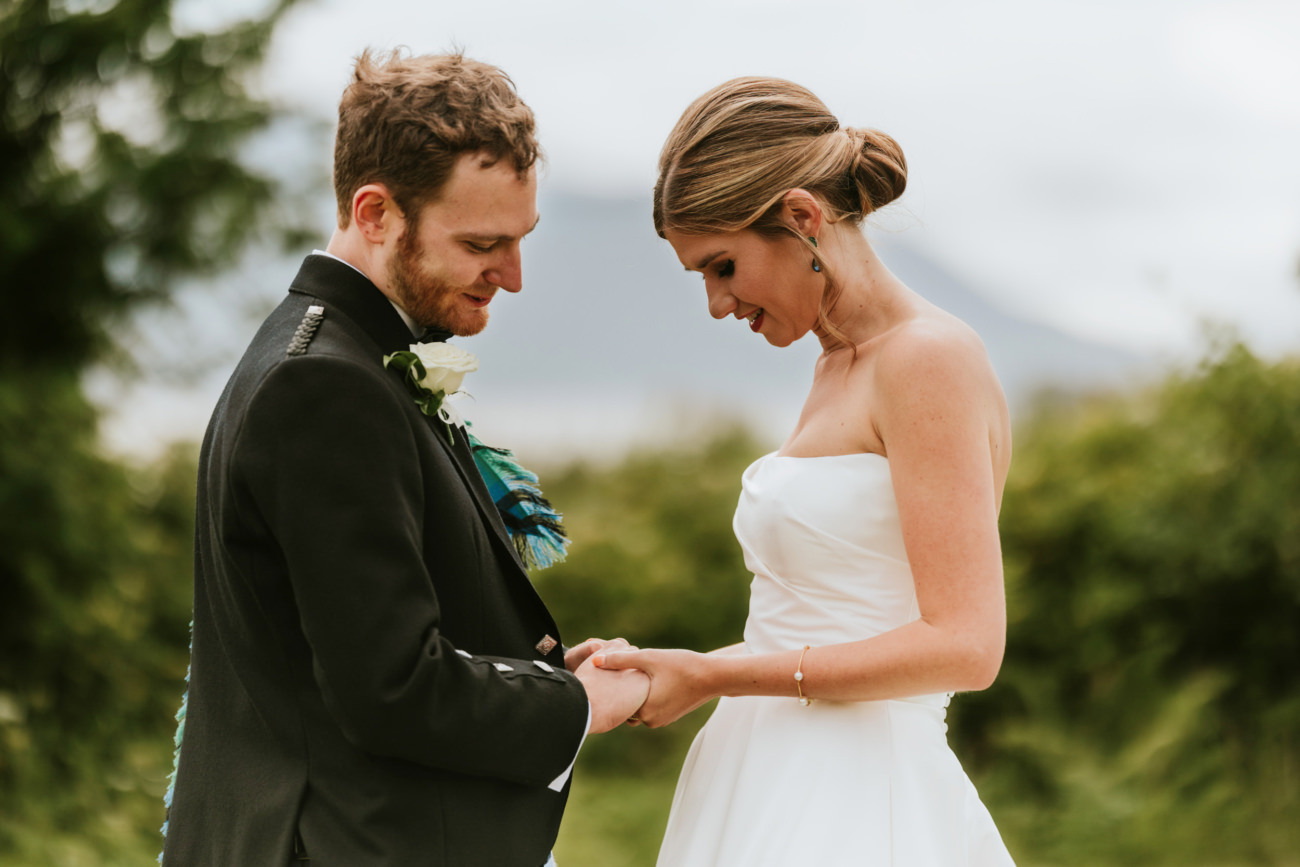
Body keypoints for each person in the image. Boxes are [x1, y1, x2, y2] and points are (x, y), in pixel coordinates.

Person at [159, 49, 649, 867]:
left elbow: (361, 637)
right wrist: (576, 703)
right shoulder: (323, 388)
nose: (515, 277)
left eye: (521, 239)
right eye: (482, 242)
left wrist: (542, 669)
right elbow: (391, 689)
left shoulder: (334, 354)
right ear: (376, 212)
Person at [595, 77, 1017, 865]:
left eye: (723, 266)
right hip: (759, 773)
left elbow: (966, 643)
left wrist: (721, 678)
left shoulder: (929, 359)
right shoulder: (834, 366)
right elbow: (815, 623)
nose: (718, 304)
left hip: (859, 790)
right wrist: (678, 669)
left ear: (801, 217)